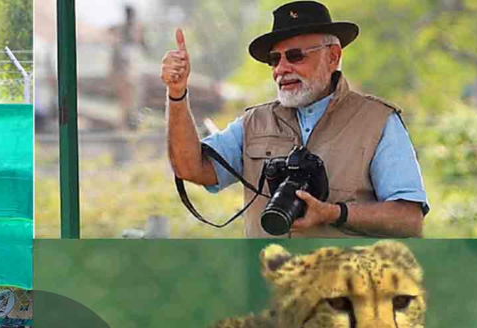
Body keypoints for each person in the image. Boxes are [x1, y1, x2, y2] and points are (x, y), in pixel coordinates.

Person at [161, 1, 429, 238]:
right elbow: (189, 167)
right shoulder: (254, 122)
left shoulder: (377, 121)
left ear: (333, 56)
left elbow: (409, 219)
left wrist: (334, 213)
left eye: (295, 56)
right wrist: (177, 92)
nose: (281, 69)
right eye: (274, 59)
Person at [110, 5, 148, 130]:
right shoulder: (121, 31)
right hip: (124, 70)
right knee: (125, 101)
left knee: (134, 99)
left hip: (132, 69)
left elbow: (143, 46)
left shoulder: (135, 29)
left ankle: (132, 123)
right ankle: (125, 124)